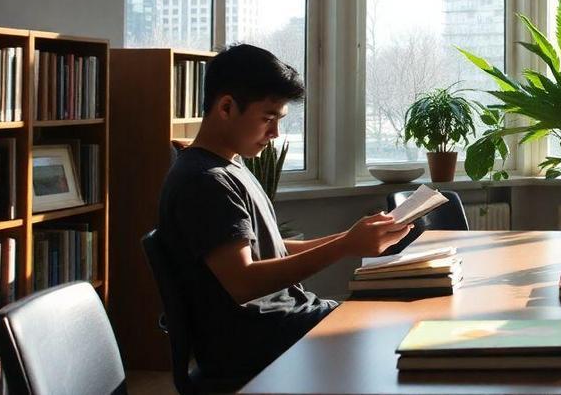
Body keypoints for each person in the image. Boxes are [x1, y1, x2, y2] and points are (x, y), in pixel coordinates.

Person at [158, 44, 411, 382]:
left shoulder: (230, 166)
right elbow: (242, 282)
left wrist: (352, 237)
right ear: (226, 107)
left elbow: (267, 248)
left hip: (281, 324)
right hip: (259, 343)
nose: (275, 134)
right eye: (268, 119)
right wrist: (345, 246)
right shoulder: (204, 182)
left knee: (395, 318)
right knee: (396, 332)